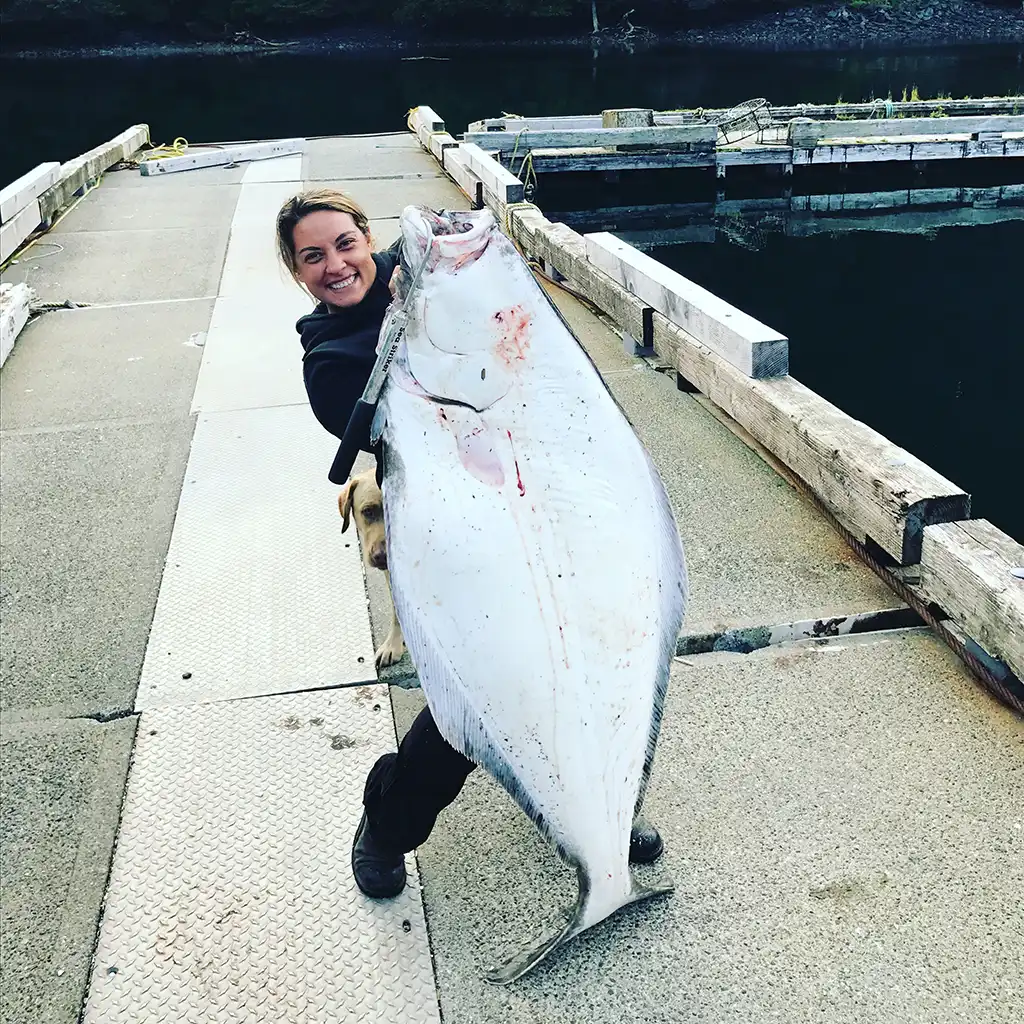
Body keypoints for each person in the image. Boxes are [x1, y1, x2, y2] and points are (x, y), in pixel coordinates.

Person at [276, 187, 664, 899]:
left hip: (538, 515)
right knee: (473, 706)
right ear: (297, 272)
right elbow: (386, 420)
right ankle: (386, 825)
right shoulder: (329, 361)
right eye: (312, 257)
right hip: (462, 546)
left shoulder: (425, 275)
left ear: (367, 237)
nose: (335, 264)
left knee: (595, 666)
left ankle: (598, 810)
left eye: (345, 243)